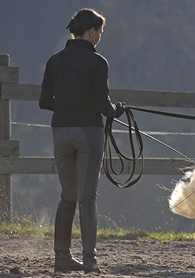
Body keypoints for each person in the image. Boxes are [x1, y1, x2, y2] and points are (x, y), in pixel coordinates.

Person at [39, 8, 124, 274]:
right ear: (91, 32)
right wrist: (117, 110)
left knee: (68, 196)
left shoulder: (54, 60)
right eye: (99, 31)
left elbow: (44, 102)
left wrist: (67, 107)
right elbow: (103, 104)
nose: (100, 36)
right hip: (88, 133)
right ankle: (90, 260)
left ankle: (62, 258)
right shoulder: (99, 63)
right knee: (88, 197)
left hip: (61, 132)